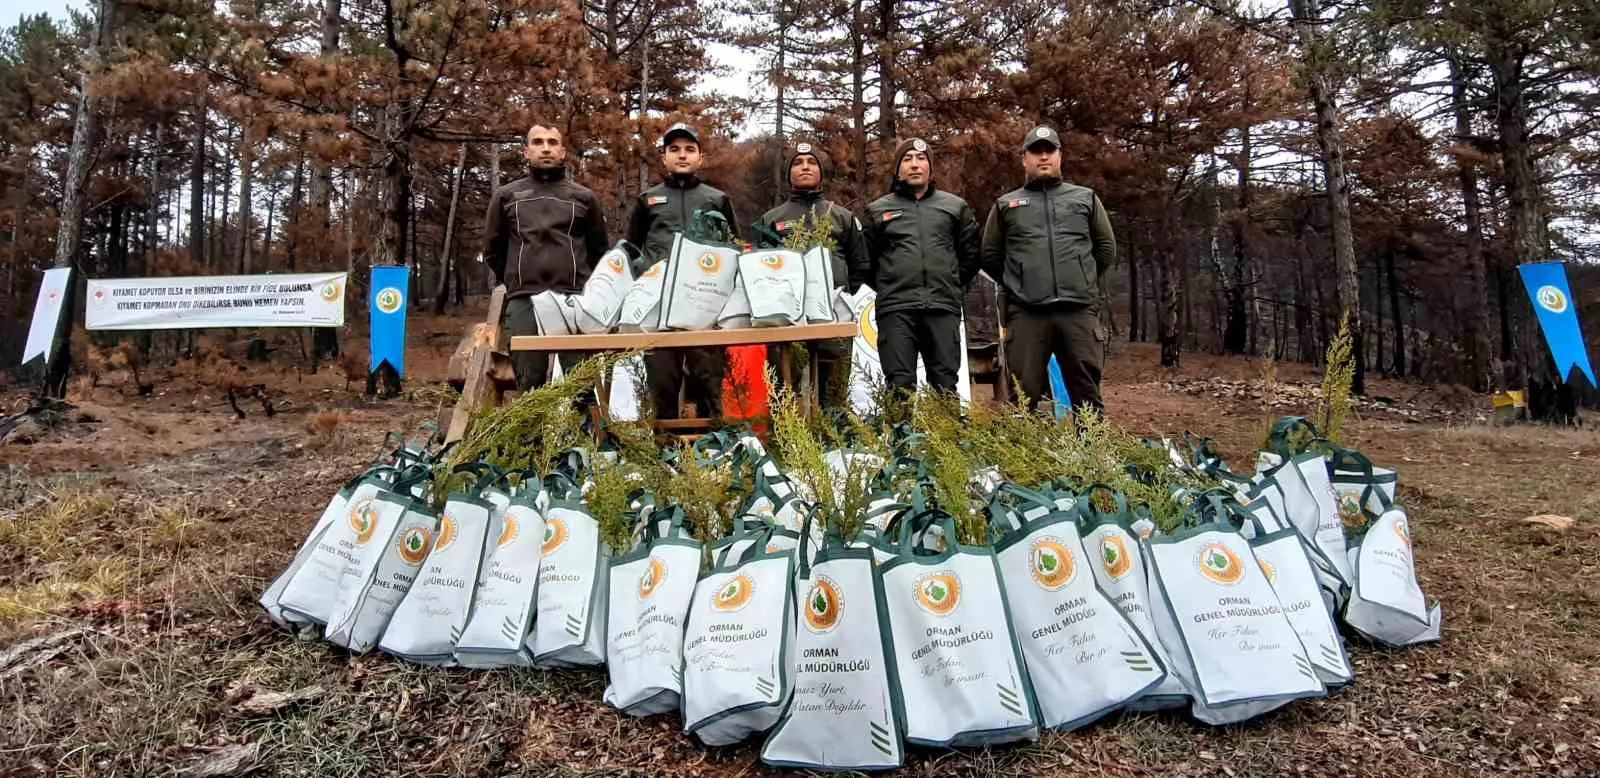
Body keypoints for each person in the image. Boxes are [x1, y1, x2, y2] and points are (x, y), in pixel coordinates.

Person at [980, 125, 1116, 416]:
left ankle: (1091, 459)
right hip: (1027, 315)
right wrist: (1020, 283)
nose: (1043, 157)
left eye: (1049, 151)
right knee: (1021, 396)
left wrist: (1081, 278)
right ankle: (1024, 459)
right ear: (1024, 159)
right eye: (1036, 151)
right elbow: (990, 256)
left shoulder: (1085, 198)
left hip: (1077, 313)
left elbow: (1105, 250)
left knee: (1087, 396)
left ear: (1059, 156)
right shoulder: (1007, 205)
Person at [624, 123, 741, 419]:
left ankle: (714, 448)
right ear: (664, 157)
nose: (682, 155)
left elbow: (734, 250)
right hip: (659, 307)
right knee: (663, 382)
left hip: (705, 306)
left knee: (708, 382)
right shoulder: (647, 200)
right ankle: (663, 451)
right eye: (674, 150)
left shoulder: (717, 199)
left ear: (700, 158)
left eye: (690, 150)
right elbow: (631, 251)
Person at [482, 122, 609, 390]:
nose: (546, 149)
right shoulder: (506, 196)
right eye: (538, 143)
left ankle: (581, 431)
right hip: (524, 298)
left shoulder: (584, 198)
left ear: (563, 152)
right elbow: (493, 248)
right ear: (526, 152)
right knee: (529, 381)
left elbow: (599, 250)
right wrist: (518, 278)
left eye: (552, 143)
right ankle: (532, 434)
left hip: (574, 299)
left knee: (579, 383)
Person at [863, 137, 981, 397]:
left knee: (945, 385)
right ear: (897, 169)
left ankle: (947, 438)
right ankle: (899, 437)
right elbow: (866, 262)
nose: (914, 165)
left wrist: (949, 281)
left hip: (942, 307)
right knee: (899, 386)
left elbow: (971, 255)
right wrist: (891, 283)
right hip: (896, 311)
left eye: (921, 158)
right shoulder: (877, 210)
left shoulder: (955, 207)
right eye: (907, 159)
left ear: (930, 167)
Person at [759, 140, 871, 406]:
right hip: (786, 318)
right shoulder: (772, 219)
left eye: (811, 163)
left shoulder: (841, 217)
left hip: (833, 315)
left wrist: (842, 295)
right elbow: (761, 269)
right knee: (783, 390)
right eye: (797, 163)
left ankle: (834, 441)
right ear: (789, 174)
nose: (805, 167)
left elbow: (860, 265)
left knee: (833, 391)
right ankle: (783, 442)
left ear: (821, 172)